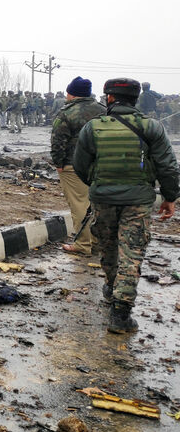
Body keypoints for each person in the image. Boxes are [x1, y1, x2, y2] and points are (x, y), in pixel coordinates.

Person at [73, 78, 179, 333]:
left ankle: (111, 288)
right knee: (131, 254)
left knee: (108, 248)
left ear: (109, 98)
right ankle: (121, 314)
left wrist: (98, 183)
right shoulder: (151, 127)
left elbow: (80, 165)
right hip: (138, 201)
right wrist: (170, 197)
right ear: (136, 99)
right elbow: (168, 166)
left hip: (103, 199)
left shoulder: (93, 128)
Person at [50, 77, 105, 255]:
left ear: (71, 94)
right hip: (102, 165)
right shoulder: (105, 111)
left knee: (80, 204)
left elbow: (58, 140)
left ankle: (84, 244)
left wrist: (58, 163)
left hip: (73, 166)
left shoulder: (68, 112)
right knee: (100, 204)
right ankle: (101, 242)